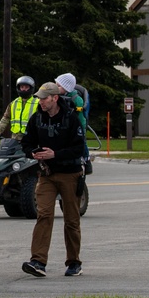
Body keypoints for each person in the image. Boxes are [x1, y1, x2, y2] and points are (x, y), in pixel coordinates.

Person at [20, 81, 86, 278]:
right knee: (44, 215)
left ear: (54, 98)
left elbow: (79, 148)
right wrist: (34, 153)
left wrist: (55, 154)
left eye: (44, 98)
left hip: (70, 174)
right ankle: (38, 261)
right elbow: (26, 143)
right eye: (39, 98)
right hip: (47, 175)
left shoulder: (71, 118)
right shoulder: (37, 119)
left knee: (72, 220)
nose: (40, 102)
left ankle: (74, 262)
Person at [0, 75, 40, 140]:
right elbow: (5, 119)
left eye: (26, 87)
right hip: (15, 139)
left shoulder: (38, 103)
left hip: (31, 138)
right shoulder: (13, 103)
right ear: (18, 88)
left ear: (31, 88)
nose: (24, 89)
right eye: (22, 87)